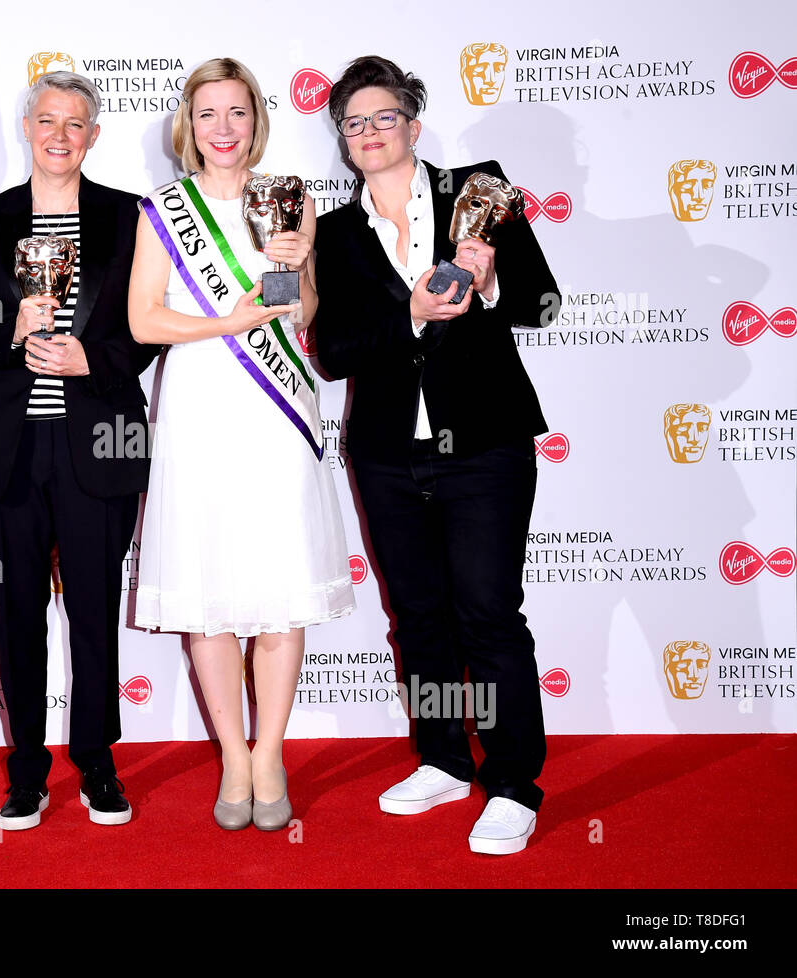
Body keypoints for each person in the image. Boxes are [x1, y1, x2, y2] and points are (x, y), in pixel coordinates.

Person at [315, 55, 559, 855]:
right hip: (388, 453)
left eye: (384, 118)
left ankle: (515, 782)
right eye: (354, 122)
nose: (370, 133)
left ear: (413, 126)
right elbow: (335, 350)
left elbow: (541, 302)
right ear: (343, 139)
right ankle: (447, 760)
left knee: (487, 612)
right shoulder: (333, 232)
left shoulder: (480, 192)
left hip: (484, 443)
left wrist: (488, 287)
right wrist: (412, 315)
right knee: (417, 615)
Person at [128, 58, 354, 831]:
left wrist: (299, 276)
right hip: (200, 407)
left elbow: (307, 309)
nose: (223, 130)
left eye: (237, 113)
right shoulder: (163, 207)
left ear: (258, 119)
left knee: (280, 585)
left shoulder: (289, 198)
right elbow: (143, 321)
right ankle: (232, 753)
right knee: (208, 594)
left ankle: (271, 752)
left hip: (278, 412)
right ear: (187, 126)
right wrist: (225, 323)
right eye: (207, 115)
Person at [0, 71, 157, 830]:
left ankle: (98, 762)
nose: (60, 135)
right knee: (16, 614)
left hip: (99, 442)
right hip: (6, 449)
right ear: (27, 128)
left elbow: (148, 325)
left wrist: (90, 361)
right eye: (47, 120)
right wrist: (10, 332)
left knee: (96, 609)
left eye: (76, 124)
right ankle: (27, 771)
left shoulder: (129, 217)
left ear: (93, 136)